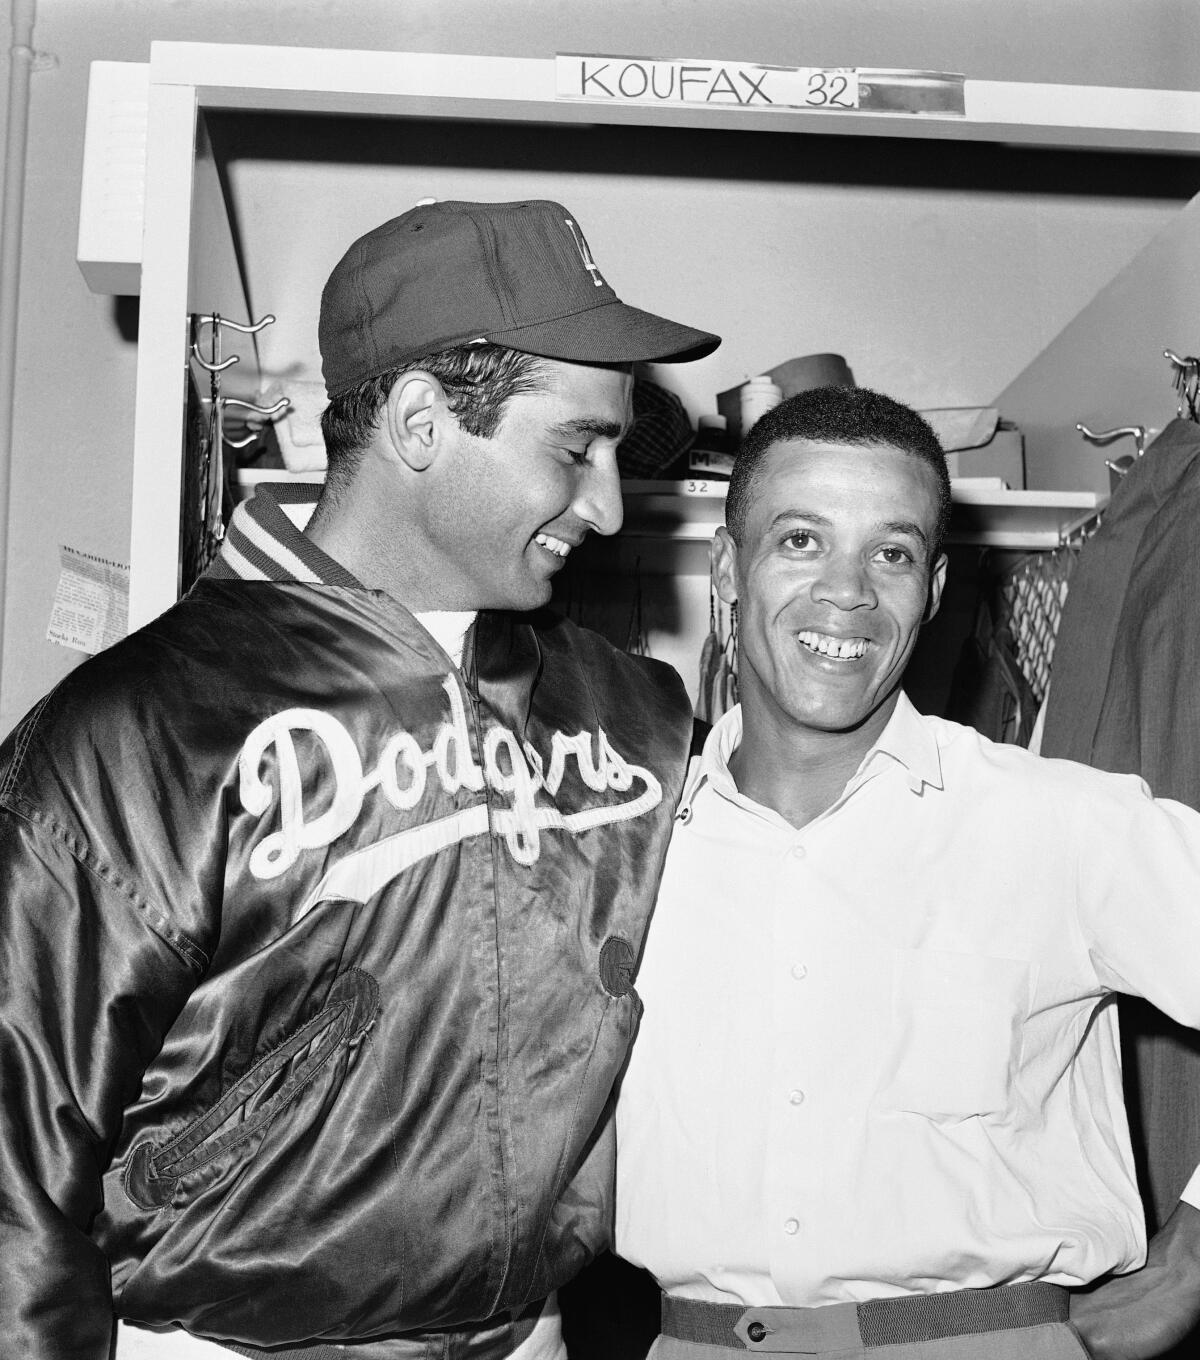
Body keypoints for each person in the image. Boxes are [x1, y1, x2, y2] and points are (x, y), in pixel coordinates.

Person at [0, 198, 719, 1360]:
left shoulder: (631, 714)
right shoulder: (143, 727)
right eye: (575, 448)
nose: (608, 505)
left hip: (531, 1335)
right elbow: (13, 1166)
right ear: (424, 422)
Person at [615, 385, 1200, 1360]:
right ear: (726, 569)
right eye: (800, 540)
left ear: (931, 590)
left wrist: (1195, 1254)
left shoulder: (1050, 822)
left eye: (889, 552)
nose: (846, 590)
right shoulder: (626, 847)